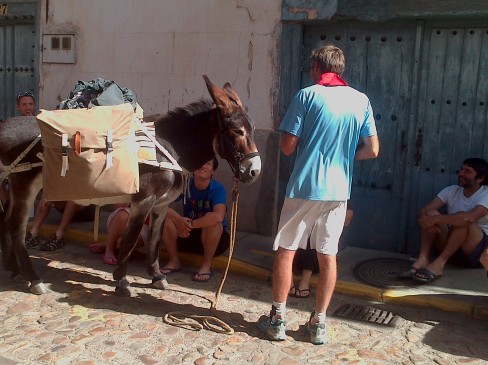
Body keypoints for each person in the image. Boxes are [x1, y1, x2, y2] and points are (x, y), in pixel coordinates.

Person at [257, 44, 379, 345]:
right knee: (328, 255)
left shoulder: (306, 95)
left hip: (304, 187)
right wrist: (345, 155)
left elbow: (287, 147)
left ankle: (278, 318)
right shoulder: (360, 100)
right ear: (340, 69)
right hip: (338, 190)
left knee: (287, 250)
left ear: (315, 68)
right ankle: (319, 323)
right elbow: (373, 149)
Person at [401, 158, 488, 283]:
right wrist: (427, 221)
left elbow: (469, 218)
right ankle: (423, 258)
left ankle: (439, 264)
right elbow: (424, 210)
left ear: (480, 178)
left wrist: (435, 220)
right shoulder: (451, 190)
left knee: (462, 220)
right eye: (461, 169)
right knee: (430, 213)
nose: (461, 173)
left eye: (467, 171)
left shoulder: (486, 194)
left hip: (475, 254)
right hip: (451, 247)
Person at [161, 157, 230, 282]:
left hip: (213, 240)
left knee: (213, 221)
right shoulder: (185, 184)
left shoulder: (217, 189)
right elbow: (161, 204)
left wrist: (189, 225)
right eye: (200, 162)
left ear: (212, 171)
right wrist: (179, 220)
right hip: (187, 235)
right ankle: (174, 261)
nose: (203, 166)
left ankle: (206, 266)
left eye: (208, 164)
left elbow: (219, 216)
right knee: (166, 219)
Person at [290, 206, 353, 298]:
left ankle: (304, 281)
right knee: (289, 238)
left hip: (318, 259)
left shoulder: (344, 208)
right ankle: (289, 280)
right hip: (297, 256)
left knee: (314, 238)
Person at [1, 91, 37, 212]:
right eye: (24, 104)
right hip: (15, 160)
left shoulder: (39, 122)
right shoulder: (13, 124)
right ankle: (7, 204)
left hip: (34, 162)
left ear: (34, 105)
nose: (28, 107)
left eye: (30, 104)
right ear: (18, 107)